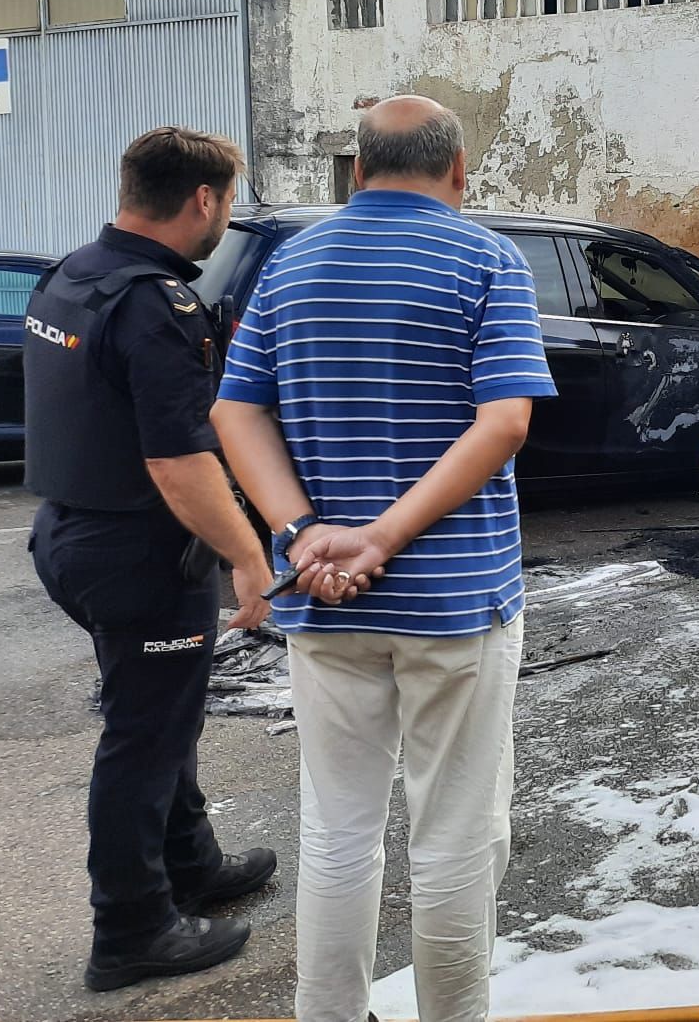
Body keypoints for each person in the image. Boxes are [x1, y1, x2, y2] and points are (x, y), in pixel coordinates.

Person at [211, 95, 555, 1022]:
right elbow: (506, 422)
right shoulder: (486, 258)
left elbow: (235, 410)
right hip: (453, 601)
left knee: (338, 830)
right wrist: (385, 537)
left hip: (326, 602)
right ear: (459, 172)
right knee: (453, 834)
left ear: (356, 172)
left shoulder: (291, 265)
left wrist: (298, 532)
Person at [23, 126, 278, 993]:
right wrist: (248, 558)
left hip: (72, 536)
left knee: (163, 715)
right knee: (144, 737)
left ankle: (191, 865)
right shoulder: (152, 303)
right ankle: (131, 929)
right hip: (135, 552)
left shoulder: (74, 276)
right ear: (203, 200)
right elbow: (179, 461)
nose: (226, 217)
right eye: (228, 201)